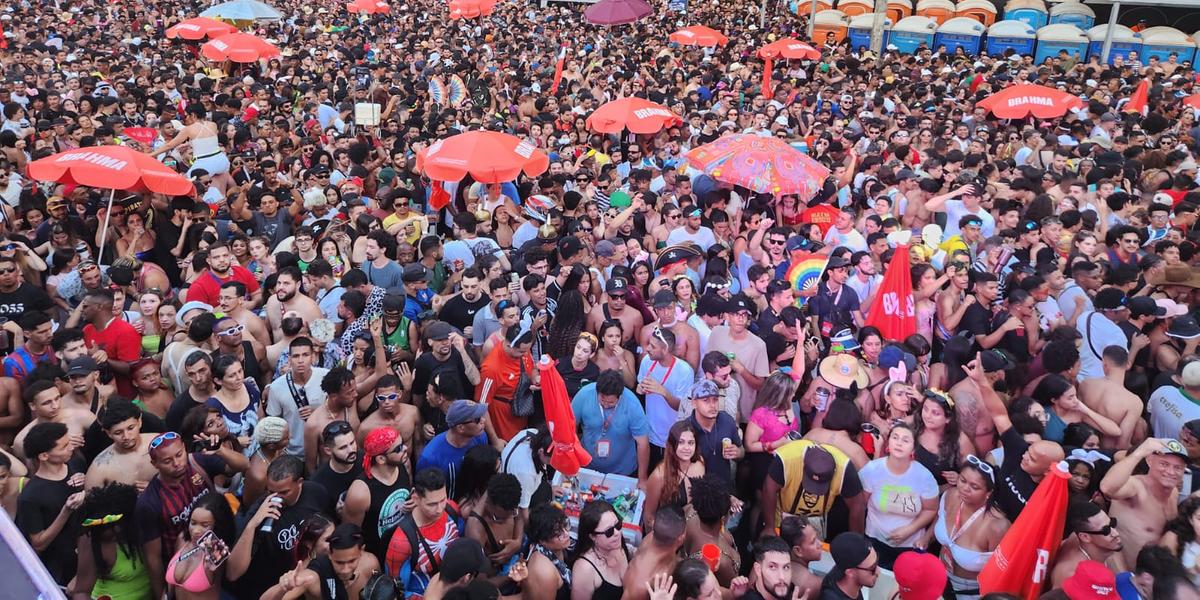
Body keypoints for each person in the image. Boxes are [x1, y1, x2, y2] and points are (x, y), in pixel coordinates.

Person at [134, 431, 228, 600]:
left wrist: (221, 450)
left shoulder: (198, 463)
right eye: (167, 461)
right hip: (182, 568)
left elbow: (243, 466)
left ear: (185, 448)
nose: (176, 463)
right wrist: (162, 595)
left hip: (219, 552)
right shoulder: (149, 503)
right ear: (154, 463)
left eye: (179, 455)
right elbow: (152, 557)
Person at [227, 455, 327, 599]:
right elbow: (233, 573)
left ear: (299, 482)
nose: (277, 497)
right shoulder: (260, 513)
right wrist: (253, 525)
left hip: (300, 583)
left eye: (284, 492)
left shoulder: (316, 492)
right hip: (264, 591)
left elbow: (327, 525)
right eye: (271, 491)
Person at [858, 423, 939, 569]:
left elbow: (931, 509)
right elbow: (860, 504)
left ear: (913, 449)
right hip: (874, 539)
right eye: (895, 438)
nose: (899, 443)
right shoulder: (872, 470)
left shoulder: (924, 477)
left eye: (906, 440)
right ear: (888, 443)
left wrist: (910, 530)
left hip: (909, 545)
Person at [1101, 437, 1188, 569]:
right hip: (1121, 575)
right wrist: (1139, 452)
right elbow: (1107, 488)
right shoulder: (1136, 487)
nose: (1170, 472)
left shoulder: (1174, 493)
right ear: (1149, 461)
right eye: (1164, 464)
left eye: (1177, 467)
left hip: (1153, 578)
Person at [930, 457, 1010, 598]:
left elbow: (1001, 571)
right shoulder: (951, 495)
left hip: (969, 590)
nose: (965, 489)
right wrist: (925, 538)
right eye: (962, 480)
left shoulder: (997, 526)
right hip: (938, 574)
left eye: (975, 487)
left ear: (988, 493)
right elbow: (939, 517)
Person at [17, 422, 85, 585]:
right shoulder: (30, 496)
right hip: (59, 569)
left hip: (84, 557)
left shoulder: (74, 465)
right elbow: (39, 543)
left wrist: (86, 488)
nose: (70, 448)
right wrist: (66, 511)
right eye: (63, 447)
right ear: (43, 456)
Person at [385, 467, 465, 598]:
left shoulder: (451, 509)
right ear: (416, 498)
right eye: (432, 504)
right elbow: (398, 592)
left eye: (442, 500)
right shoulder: (401, 542)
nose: (439, 509)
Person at [762, 440, 866, 539]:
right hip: (782, 515)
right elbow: (768, 489)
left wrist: (857, 541)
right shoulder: (788, 458)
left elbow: (858, 505)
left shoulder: (844, 469)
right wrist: (769, 527)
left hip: (817, 520)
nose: (812, 492)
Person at [70, 482, 151, 600]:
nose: (105, 533)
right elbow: (81, 592)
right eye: (100, 531)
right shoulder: (90, 538)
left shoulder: (144, 526)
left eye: (111, 529)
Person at [263, 522, 382, 600]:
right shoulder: (313, 577)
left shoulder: (371, 564)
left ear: (361, 551)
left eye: (351, 561)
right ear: (330, 555)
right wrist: (283, 587)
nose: (345, 569)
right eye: (339, 562)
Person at [344, 426, 412, 561]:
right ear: (381, 459)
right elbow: (351, 534)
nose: (405, 449)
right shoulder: (360, 493)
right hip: (378, 556)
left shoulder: (404, 465)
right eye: (398, 449)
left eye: (402, 444)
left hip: (405, 545)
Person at [572, 369, 650, 483]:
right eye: (602, 400)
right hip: (587, 467)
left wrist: (642, 478)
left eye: (611, 403)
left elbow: (643, 443)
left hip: (623, 471)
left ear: (620, 396)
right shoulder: (584, 394)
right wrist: (573, 460)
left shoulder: (632, 404)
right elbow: (570, 426)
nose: (605, 404)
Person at [638, 327, 696, 464]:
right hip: (650, 433)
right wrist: (640, 388)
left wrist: (663, 391)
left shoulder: (684, 371)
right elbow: (640, 384)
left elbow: (683, 407)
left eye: (652, 346)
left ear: (665, 349)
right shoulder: (647, 361)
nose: (647, 349)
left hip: (672, 436)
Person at [416, 399, 491, 496]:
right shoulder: (430, 458)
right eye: (477, 419)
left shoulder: (480, 436)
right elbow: (425, 494)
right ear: (460, 428)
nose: (483, 420)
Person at [1051, 500, 1124, 587]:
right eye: (1105, 530)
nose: (1115, 533)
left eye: (1112, 523)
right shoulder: (1071, 575)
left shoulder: (1081, 535)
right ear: (1085, 537)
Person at [570, 499, 630, 600]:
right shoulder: (584, 569)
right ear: (593, 537)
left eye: (618, 525)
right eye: (609, 531)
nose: (617, 533)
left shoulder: (617, 545)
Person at [521, 504, 573, 600]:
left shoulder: (556, 546)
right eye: (558, 533)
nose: (566, 534)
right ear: (542, 540)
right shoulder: (543, 571)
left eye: (565, 526)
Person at [820, 532, 879, 600]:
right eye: (872, 568)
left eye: (877, 561)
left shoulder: (840, 571)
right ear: (850, 572)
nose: (878, 572)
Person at [780, 517, 825, 600]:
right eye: (813, 541)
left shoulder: (762, 565)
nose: (820, 544)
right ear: (798, 551)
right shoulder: (814, 584)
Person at [739, 536, 798, 600]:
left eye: (786, 567)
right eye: (772, 567)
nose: (782, 577)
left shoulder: (790, 593)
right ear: (758, 569)